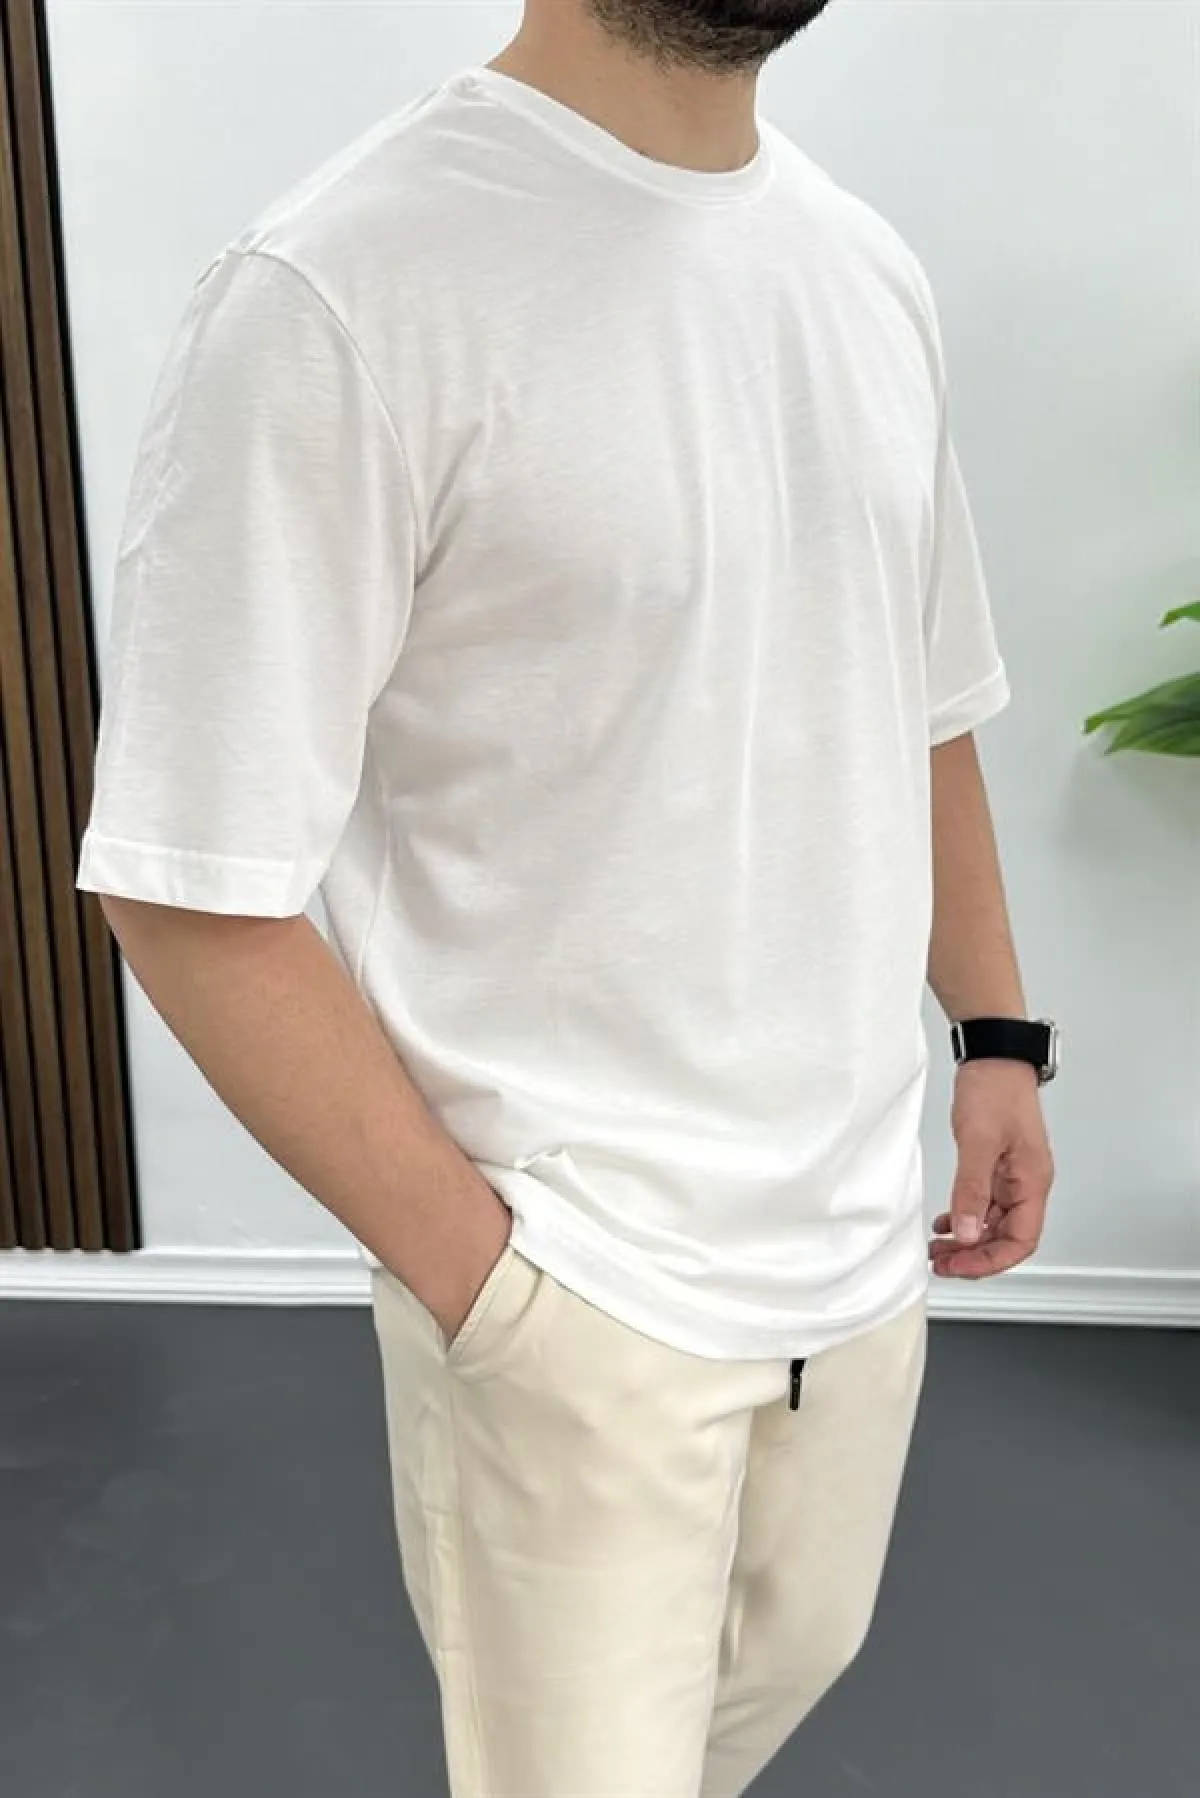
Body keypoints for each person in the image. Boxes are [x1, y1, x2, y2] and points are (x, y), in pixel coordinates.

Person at [77, 2, 1058, 1793]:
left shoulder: (862, 270)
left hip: (858, 1248)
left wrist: (995, 1032)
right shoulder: (337, 292)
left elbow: (920, 700)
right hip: (575, 1274)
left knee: (774, 1687)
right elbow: (191, 881)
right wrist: (497, 1287)